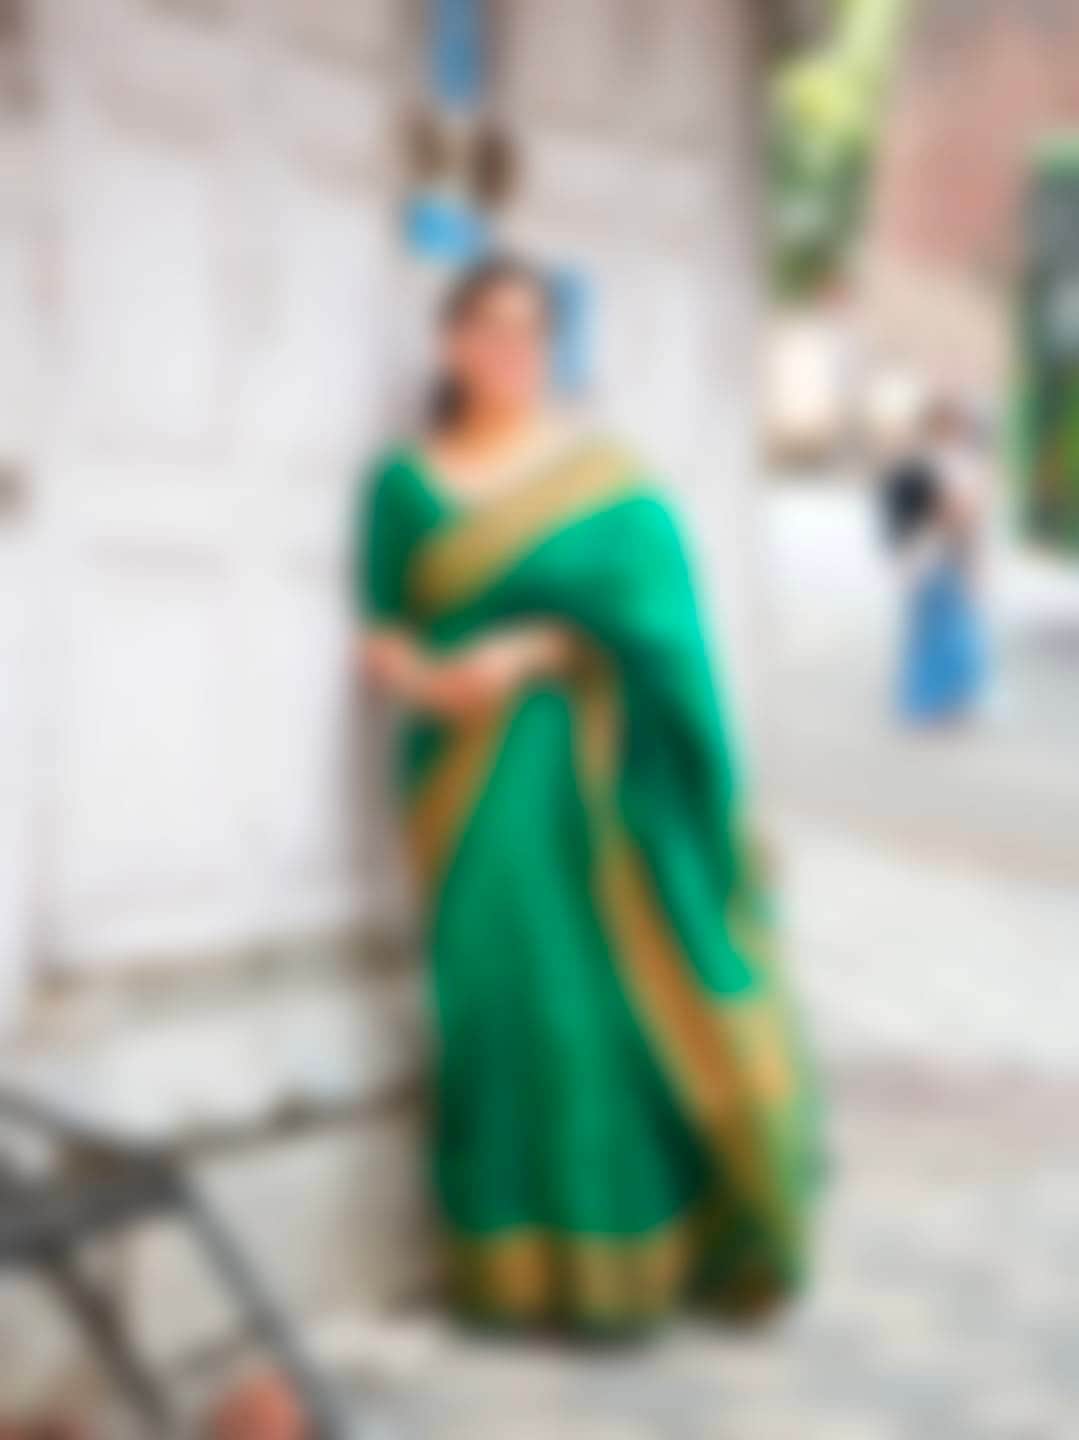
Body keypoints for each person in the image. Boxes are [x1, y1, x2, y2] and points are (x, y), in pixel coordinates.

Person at [357, 255, 821, 1332]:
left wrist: (533, 647)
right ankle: (510, 1271)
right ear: (450, 345)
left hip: (596, 783)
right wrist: (431, 681)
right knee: (494, 1008)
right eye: (488, 330)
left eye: (529, 331)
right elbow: (378, 632)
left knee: (590, 1014)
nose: (509, 351)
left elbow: (662, 633)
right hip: (460, 783)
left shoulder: (603, 480)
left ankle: (629, 1260)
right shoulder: (402, 484)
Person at [880, 394, 989, 725]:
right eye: (953, 424)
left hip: (937, 556)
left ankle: (939, 701)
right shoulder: (936, 463)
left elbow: (965, 513)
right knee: (944, 632)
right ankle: (929, 702)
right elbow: (951, 511)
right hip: (935, 555)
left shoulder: (945, 460)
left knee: (942, 630)